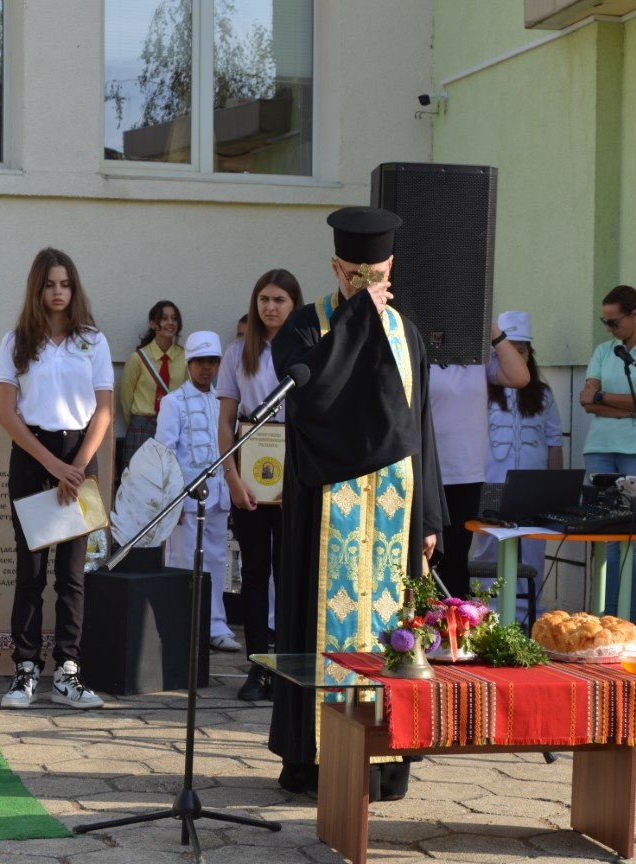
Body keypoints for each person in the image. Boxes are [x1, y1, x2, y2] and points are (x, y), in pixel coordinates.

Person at [268, 206, 445, 799]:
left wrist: (429, 516)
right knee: (321, 635)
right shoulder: (306, 326)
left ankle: (385, 765)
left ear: (391, 267)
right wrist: (354, 317)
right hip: (328, 513)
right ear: (335, 268)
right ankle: (313, 762)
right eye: (355, 276)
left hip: (394, 510)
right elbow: (308, 396)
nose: (368, 285)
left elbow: (421, 426)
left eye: (378, 276)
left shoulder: (407, 332)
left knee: (393, 633)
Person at [0, 247, 112, 709]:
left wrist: (76, 466)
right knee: (30, 571)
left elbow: (104, 411)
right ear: (37, 289)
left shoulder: (93, 342)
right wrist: (52, 465)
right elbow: (7, 413)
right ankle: (25, 669)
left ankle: (68, 671)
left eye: (65, 284)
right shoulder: (16, 342)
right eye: (49, 285)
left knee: (72, 574)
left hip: (80, 457)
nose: (58, 292)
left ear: (74, 288)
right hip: (33, 458)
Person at [217, 268, 304, 701]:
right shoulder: (239, 352)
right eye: (264, 299)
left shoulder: (309, 348)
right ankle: (257, 666)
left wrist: (301, 481)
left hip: (294, 479)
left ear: (294, 304)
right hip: (249, 477)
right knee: (253, 574)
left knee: (290, 576)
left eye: (279, 300)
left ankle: (287, 667)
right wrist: (232, 477)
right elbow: (225, 421)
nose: (270, 307)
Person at [578, 284, 636, 621]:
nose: (608, 328)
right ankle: (604, 616)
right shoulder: (604, 350)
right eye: (604, 321)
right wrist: (627, 408)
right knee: (605, 534)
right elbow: (586, 401)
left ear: (634, 316)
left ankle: (626, 621)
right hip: (599, 448)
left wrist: (604, 398)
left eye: (613, 322)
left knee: (634, 536)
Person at [470, 310, 562, 620]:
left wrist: (555, 487)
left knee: (532, 549)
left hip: (533, 486)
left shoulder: (543, 394)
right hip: (491, 482)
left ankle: (526, 614)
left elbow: (554, 441)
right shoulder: (483, 390)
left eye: (521, 351)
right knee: (489, 547)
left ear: (529, 355)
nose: (515, 357)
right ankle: (486, 612)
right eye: (508, 351)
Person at [430, 321, 530, 600]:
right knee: (425, 558)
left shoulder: (477, 358)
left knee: (455, 560)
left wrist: (492, 329)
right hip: (428, 472)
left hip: (466, 473)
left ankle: (455, 622)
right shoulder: (422, 352)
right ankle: (417, 623)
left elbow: (520, 376)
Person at [155, 330, 240, 652]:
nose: (207, 368)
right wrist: (171, 499)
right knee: (183, 561)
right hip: (185, 500)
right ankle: (185, 626)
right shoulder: (172, 403)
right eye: (200, 361)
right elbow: (164, 453)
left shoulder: (225, 403)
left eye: (213, 362)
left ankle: (215, 625)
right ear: (189, 363)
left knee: (216, 561)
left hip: (217, 497)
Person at [117, 301, 186, 473]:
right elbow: (126, 398)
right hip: (142, 426)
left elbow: (188, 395)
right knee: (137, 479)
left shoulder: (185, 358)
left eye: (174, 318)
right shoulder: (138, 358)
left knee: (169, 479)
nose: (170, 322)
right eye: (164, 318)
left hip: (173, 426)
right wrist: (137, 424)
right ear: (153, 324)